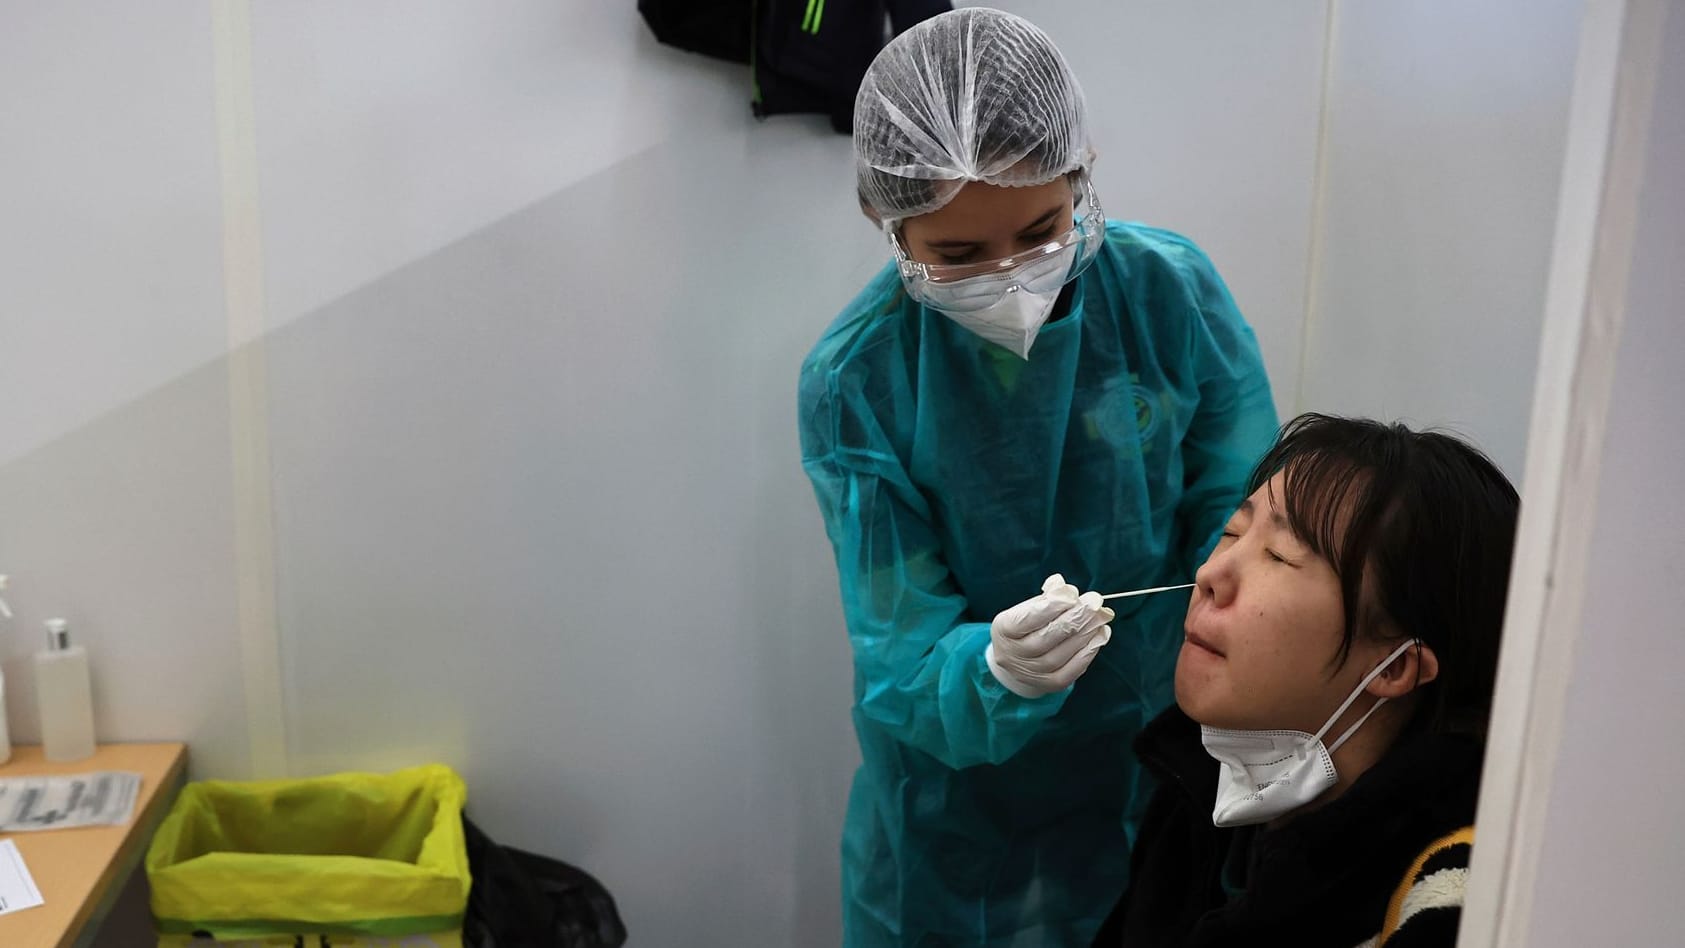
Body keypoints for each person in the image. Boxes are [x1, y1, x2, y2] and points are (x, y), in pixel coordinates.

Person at [797, 8, 1279, 944]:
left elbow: (1241, 523)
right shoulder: (855, 379)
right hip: (954, 814)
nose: (1015, 279)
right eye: (959, 256)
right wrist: (992, 671)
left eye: (1041, 229)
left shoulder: (1169, 294)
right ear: (881, 219)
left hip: (1158, 756)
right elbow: (899, 653)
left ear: (1081, 171)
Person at [1093, 414, 1521, 947]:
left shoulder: (1451, 902)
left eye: (1278, 555)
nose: (1209, 575)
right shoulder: (1196, 796)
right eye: (1232, 532)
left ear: (1393, 668)